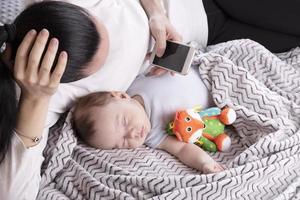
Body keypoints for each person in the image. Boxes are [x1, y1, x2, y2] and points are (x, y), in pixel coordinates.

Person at [72, 66, 224, 173]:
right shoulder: (154, 136)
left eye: (124, 121)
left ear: (121, 96)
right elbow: (182, 149)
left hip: (208, 70)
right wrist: (206, 163)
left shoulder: (135, 82)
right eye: (122, 142)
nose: (132, 135)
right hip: (218, 97)